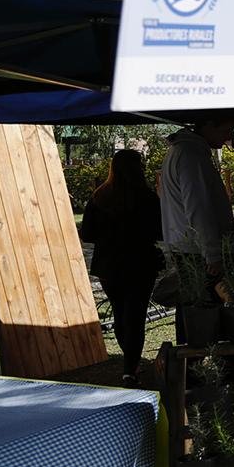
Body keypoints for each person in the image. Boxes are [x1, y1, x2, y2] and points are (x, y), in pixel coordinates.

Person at [80, 149, 163, 386]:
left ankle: (130, 362)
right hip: (140, 264)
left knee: (119, 313)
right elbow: (160, 231)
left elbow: (87, 234)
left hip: (109, 265)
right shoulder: (147, 198)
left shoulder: (99, 197)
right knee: (136, 316)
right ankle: (130, 368)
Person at [162, 112, 234, 340]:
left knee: (194, 309)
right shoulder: (190, 154)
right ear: (207, 125)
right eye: (224, 130)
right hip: (196, 251)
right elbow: (198, 207)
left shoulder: (184, 151)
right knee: (205, 310)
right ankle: (201, 358)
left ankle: (194, 356)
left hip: (190, 247)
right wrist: (212, 253)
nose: (228, 137)